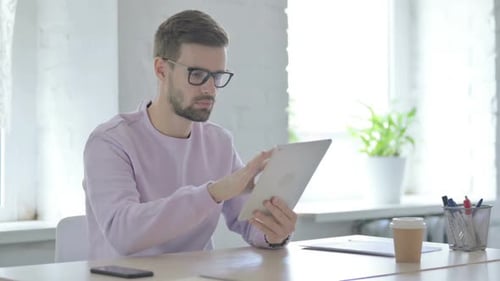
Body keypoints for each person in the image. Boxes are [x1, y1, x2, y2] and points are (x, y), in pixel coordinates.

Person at [83, 9, 297, 260]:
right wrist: (214, 192)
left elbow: (250, 224)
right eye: (196, 74)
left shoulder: (219, 143)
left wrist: (274, 233)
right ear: (161, 69)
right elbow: (124, 233)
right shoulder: (110, 142)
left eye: (217, 76)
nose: (209, 88)